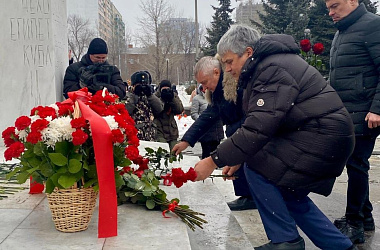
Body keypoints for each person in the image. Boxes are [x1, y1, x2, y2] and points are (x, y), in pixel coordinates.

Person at [193, 24, 356, 250]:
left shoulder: (270, 70)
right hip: (322, 133)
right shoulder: (265, 66)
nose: (227, 69)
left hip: (321, 135)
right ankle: (341, 247)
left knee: (258, 168)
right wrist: (237, 156)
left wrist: (213, 160)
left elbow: (258, 128)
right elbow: (266, 123)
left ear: (248, 52)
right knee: (288, 191)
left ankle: (285, 241)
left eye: (230, 61)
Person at [325, 0, 380, 243]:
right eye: (328, 8)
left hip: (365, 112)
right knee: (354, 163)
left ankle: (355, 223)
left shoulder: (372, 25)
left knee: (357, 164)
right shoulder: (343, 32)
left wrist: (377, 109)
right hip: (348, 112)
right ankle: (365, 217)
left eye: (335, 6)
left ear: (353, 2)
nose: (331, 12)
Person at [172, 56, 256, 211]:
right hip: (237, 132)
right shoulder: (219, 91)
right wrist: (186, 140)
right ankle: (247, 195)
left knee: (245, 165)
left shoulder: (236, 85)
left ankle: (250, 196)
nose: (203, 88)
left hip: (247, 132)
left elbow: (249, 116)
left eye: (204, 82)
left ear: (216, 72)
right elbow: (207, 117)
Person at [124, 71, 163, 141]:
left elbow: (159, 109)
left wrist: (149, 95)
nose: (142, 86)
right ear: (133, 85)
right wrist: (134, 95)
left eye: (145, 84)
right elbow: (126, 111)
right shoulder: (128, 96)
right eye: (139, 84)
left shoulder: (150, 97)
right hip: (134, 134)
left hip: (150, 134)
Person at [190, 84, 224, 159]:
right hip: (205, 132)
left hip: (217, 130)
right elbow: (194, 113)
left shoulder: (216, 97)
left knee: (216, 154)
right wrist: (203, 121)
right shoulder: (197, 98)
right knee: (206, 153)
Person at [154, 80, 184, 151]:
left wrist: (172, 99)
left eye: (167, 89)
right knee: (163, 152)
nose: (165, 91)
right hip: (159, 129)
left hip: (172, 131)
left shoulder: (173, 96)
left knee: (175, 153)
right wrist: (162, 99)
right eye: (163, 89)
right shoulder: (155, 97)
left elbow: (179, 109)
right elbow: (156, 110)